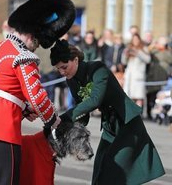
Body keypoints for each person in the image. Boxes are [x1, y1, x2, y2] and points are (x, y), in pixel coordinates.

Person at [0, 0, 75, 185]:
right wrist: (55, 121)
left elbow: (1, 88)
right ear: (31, 34)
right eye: (36, 42)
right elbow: (37, 97)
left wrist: (24, 108)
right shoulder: (23, 56)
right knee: (6, 181)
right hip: (1, 128)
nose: (35, 47)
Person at [50, 39, 165, 185]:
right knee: (100, 169)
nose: (61, 72)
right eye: (58, 69)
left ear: (76, 60)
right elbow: (82, 110)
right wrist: (63, 131)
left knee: (114, 172)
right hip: (109, 125)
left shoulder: (98, 69)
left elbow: (94, 101)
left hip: (127, 123)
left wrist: (64, 117)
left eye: (64, 67)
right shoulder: (71, 80)